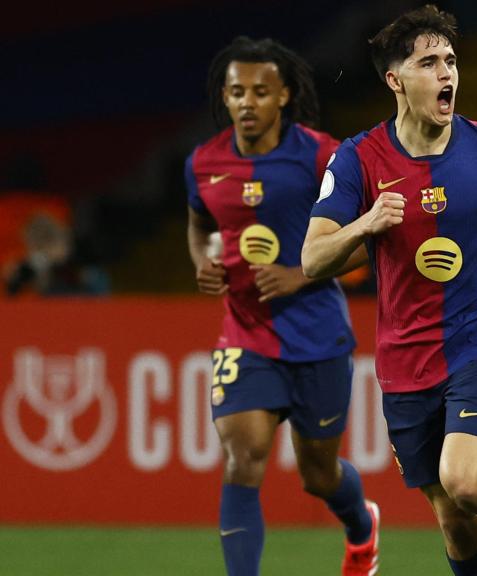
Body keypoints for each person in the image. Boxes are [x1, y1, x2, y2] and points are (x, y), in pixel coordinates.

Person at [302, 7, 477, 576]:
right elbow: (313, 259)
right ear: (395, 80)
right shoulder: (357, 159)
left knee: (466, 480)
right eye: (429, 62)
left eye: (450, 60)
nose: (446, 72)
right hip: (404, 358)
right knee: (454, 520)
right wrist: (364, 224)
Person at [184, 36, 378, 576]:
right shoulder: (204, 162)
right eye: (236, 92)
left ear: (285, 95)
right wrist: (203, 260)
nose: (247, 102)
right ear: (224, 97)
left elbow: (370, 234)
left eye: (260, 92)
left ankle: (361, 524)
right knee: (241, 459)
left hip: (317, 334)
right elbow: (199, 225)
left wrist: (301, 273)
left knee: (318, 475)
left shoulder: (322, 155)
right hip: (245, 334)